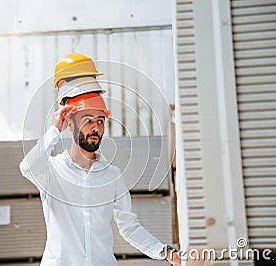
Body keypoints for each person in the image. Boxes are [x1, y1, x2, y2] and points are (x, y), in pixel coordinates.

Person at [20, 54, 180, 266]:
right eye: (87, 120)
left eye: (100, 120)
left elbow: (129, 227)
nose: (96, 128)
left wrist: (165, 251)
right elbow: (27, 167)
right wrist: (53, 130)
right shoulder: (51, 170)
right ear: (69, 123)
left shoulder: (112, 176)